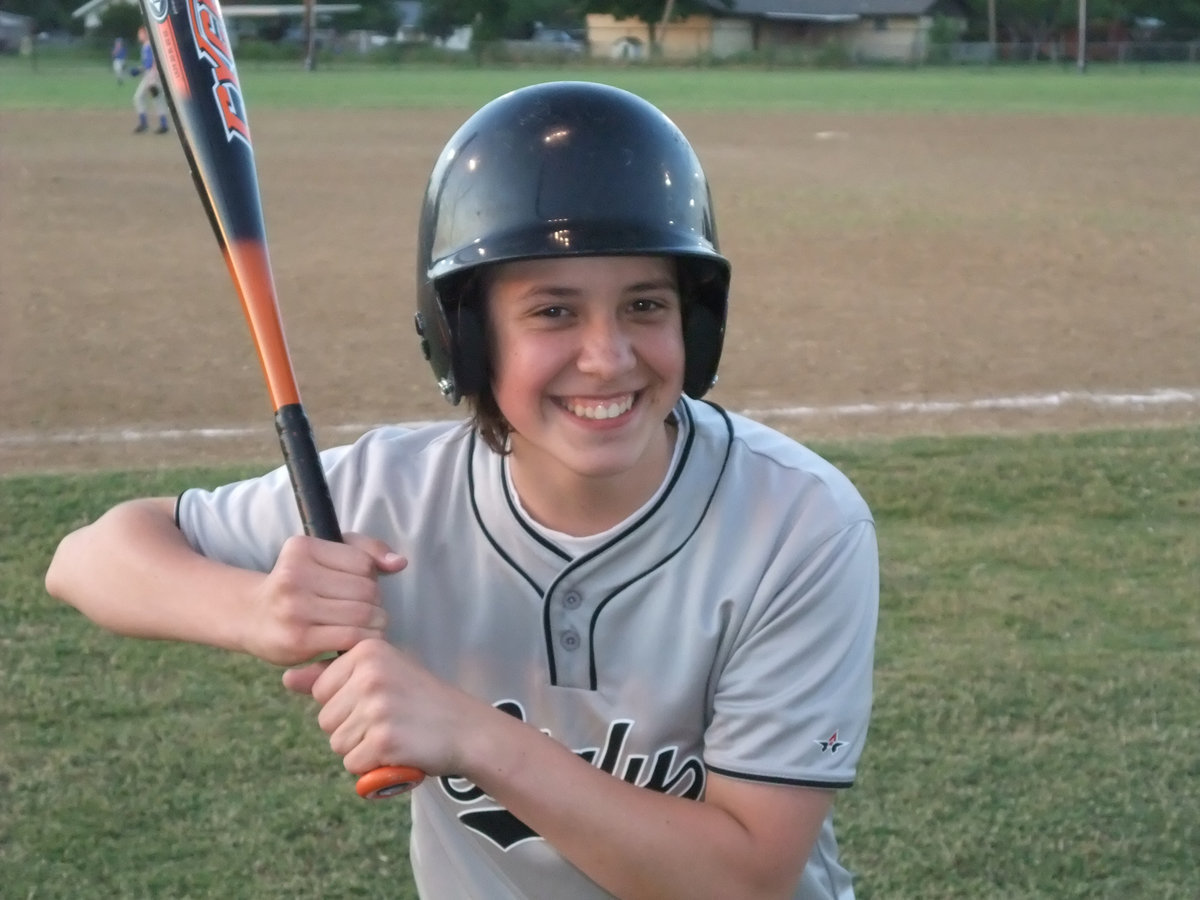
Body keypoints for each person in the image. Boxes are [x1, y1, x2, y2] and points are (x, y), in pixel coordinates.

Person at [45, 81, 879, 899]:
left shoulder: (795, 521)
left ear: (694, 325)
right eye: (554, 312)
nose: (608, 357)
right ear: (467, 339)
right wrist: (256, 611)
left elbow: (744, 879)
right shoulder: (391, 494)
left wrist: (472, 735)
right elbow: (88, 559)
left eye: (645, 305)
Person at [131, 26, 168, 134]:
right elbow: (147, 63)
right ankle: (162, 124)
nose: (139, 35)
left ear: (146, 34)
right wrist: (140, 69)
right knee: (155, 98)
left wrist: (140, 70)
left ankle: (147, 124)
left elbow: (151, 63)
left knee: (141, 97)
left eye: (141, 33)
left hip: (153, 76)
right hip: (151, 75)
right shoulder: (148, 46)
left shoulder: (149, 46)